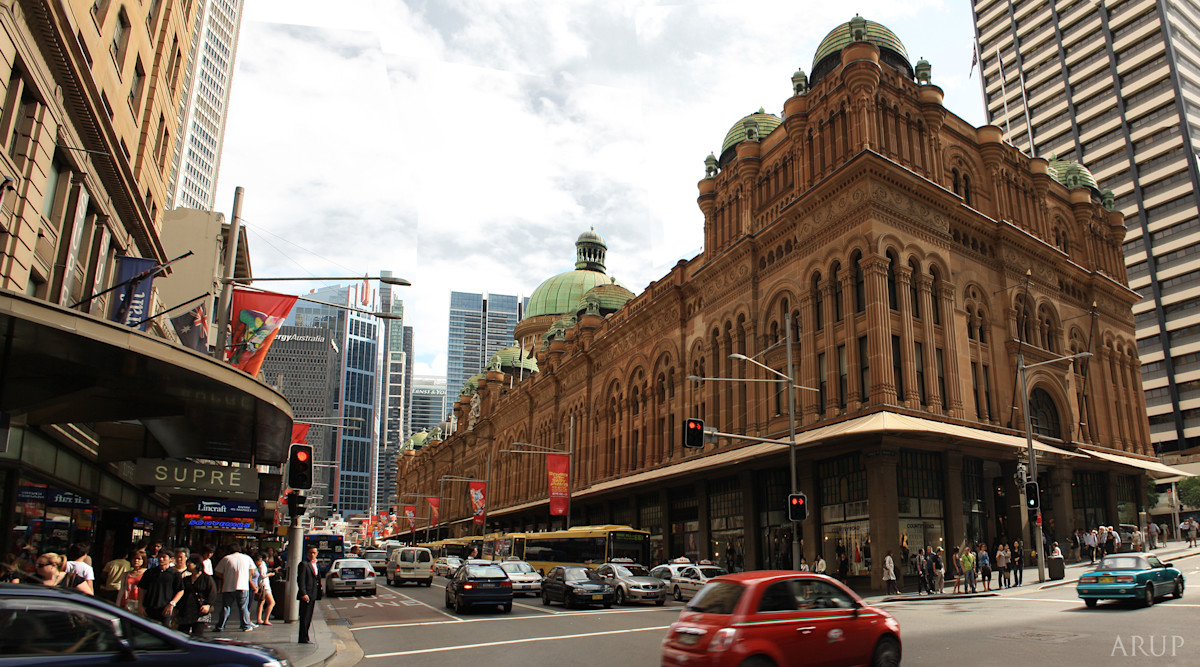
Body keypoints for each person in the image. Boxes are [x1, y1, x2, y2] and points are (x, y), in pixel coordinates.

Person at [214, 543, 256, 632]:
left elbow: (217, 572)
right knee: (243, 607)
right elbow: (252, 571)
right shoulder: (247, 558)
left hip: (228, 586)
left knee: (226, 607)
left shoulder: (226, 558)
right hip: (243, 586)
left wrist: (226, 576)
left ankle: (220, 626)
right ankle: (245, 625)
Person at [140, 550, 184, 625]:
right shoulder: (150, 572)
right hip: (149, 607)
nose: (161, 559)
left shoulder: (175, 574)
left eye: (164, 557)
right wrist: (140, 606)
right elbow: (142, 589)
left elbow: (180, 591)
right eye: (160, 557)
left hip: (165, 609)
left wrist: (172, 604)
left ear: (171, 559)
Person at [176, 555, 216, 636]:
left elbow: (212, 592)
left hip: (199, 610)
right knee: (182, 633)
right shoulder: (186, 579)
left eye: (190, 563)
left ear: (196, 564)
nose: (187, 565)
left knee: (197, 634)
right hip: (185, 610)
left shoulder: (206, 579)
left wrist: (208, 604)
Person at [297, 547, 320, 645]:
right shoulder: (304, 564)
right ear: (307, 553)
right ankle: (303, 637)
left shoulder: (315, 564)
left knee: (309, 616)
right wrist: (303, 593)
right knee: (304, 616)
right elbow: (301, 580)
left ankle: (306, 636)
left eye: (314, 553)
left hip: (313, 594)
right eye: (311, 553)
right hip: (307, 594)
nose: (312, 555)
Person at [117, 551, 147, 615]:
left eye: (139, 559)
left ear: (143, 560)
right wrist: (118, 603)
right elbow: (122, 589)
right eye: (134, 559)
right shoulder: (126, 574)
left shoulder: (147, 574)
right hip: (128, 602)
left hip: (141, 602)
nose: (136, 561)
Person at [253, 551, 275, 625]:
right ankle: (266, 619)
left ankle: (259, 618)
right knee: (272, 602)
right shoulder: (262, 565)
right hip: (265, 585)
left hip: (261, 584)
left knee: (261, 602)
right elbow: (263, 575)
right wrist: (270, 574)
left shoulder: (259, 566)